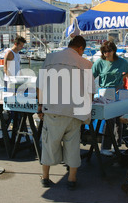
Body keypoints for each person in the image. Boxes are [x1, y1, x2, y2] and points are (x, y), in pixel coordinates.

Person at [37, 35, 96, 190]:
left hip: (53, 110)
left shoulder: (50, 58)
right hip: (75, 113)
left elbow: (40, 86)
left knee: (49, 143)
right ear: (80, 48)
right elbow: (91, 92)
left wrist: (39, 107)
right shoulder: (86, 64)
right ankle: (72, 179)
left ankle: (45, 177)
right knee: (73, 146)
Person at [92, 40, 128, 155]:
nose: (107, 53)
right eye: (104, 51)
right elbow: (91, 76)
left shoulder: (122, 62)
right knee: (108, 120)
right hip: (105, 92)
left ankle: (117, 143)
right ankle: (105, 147)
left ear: (114, 50)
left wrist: (124, 76)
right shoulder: (99, 63)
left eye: (109, 51)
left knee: (119, 119)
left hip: (119, 90)